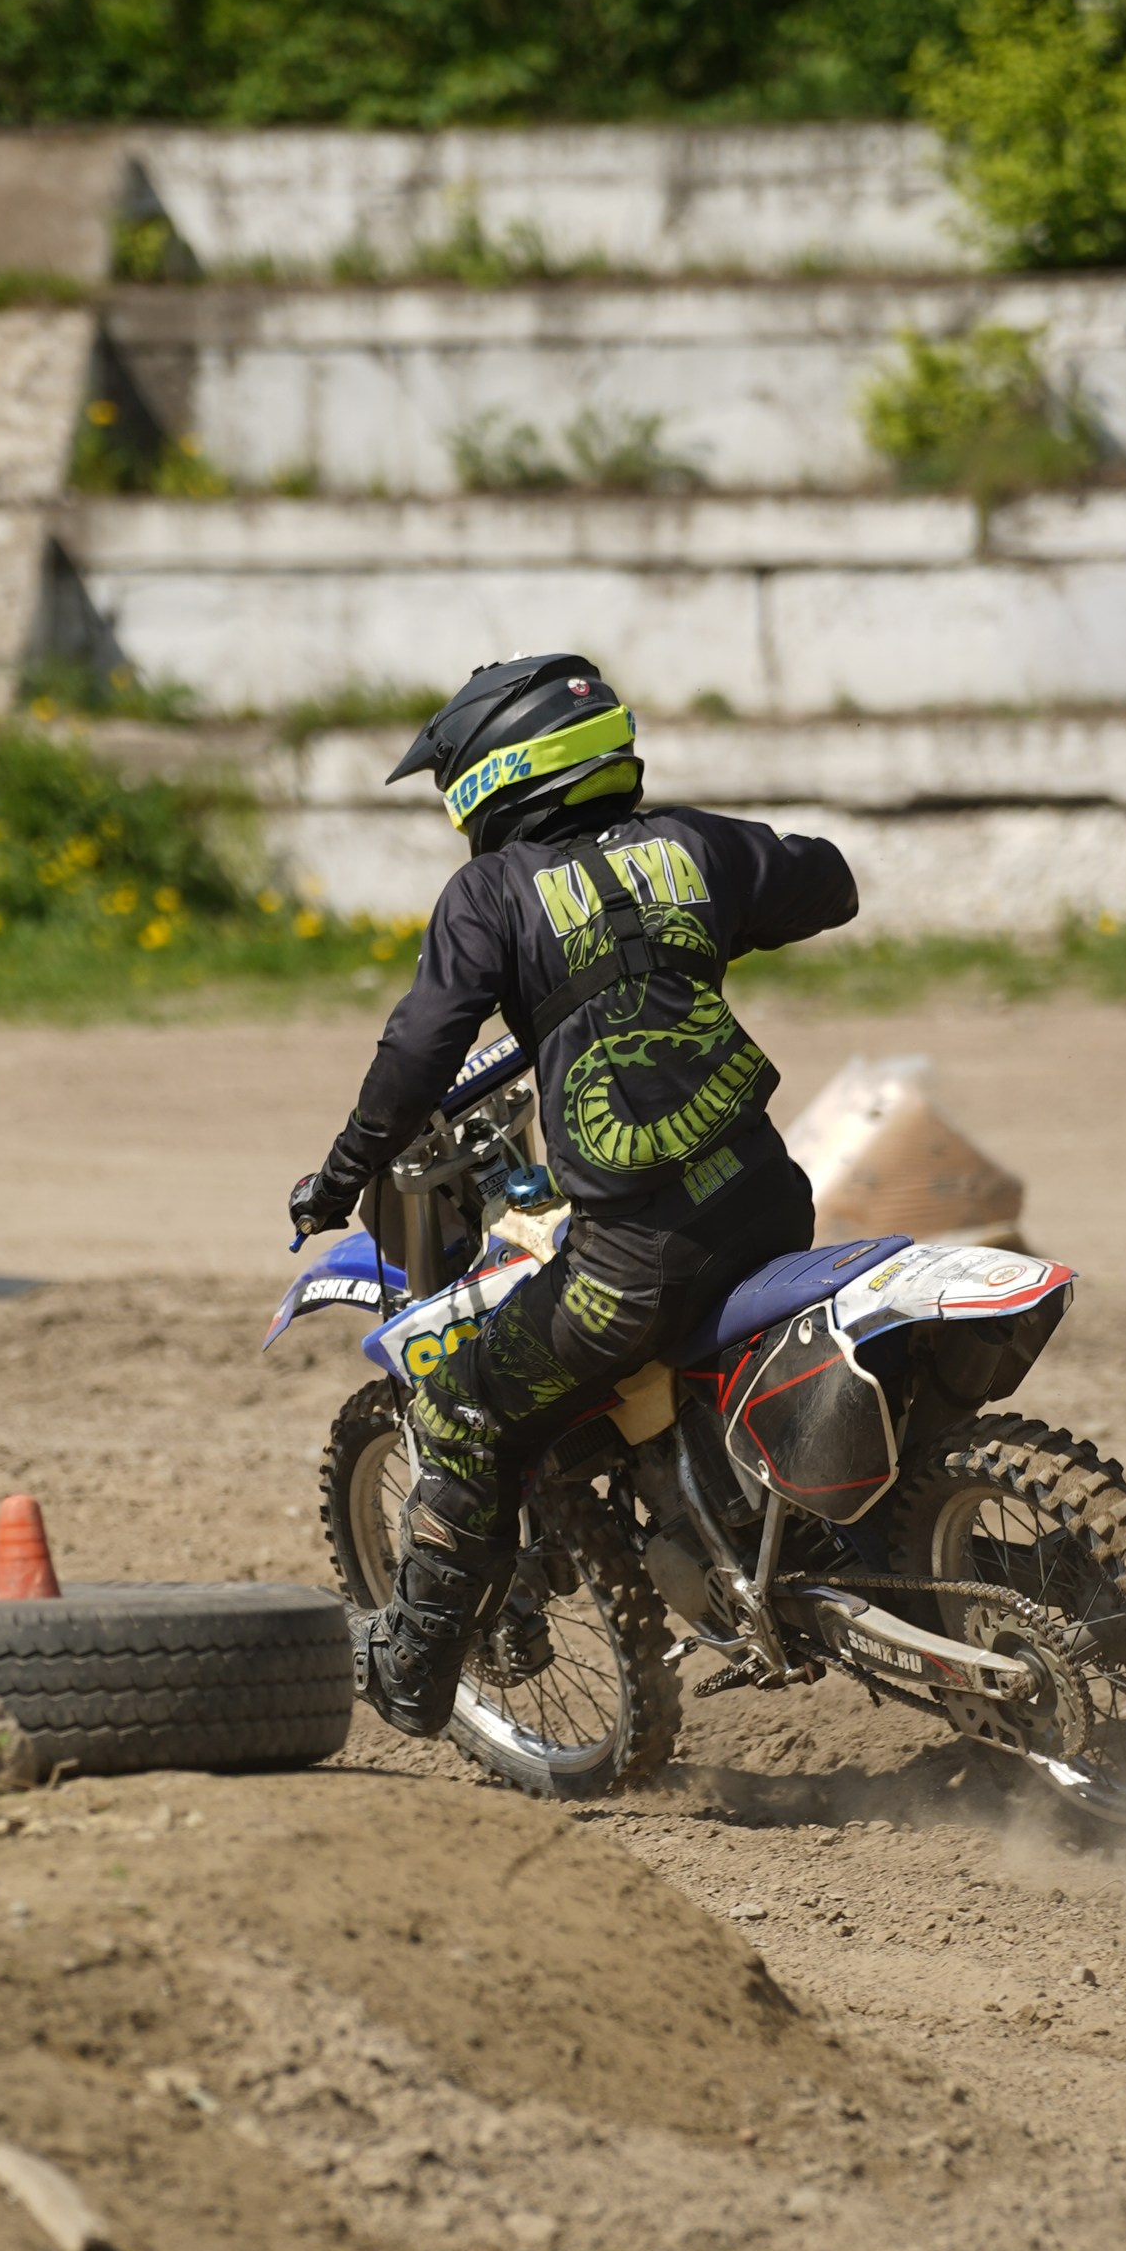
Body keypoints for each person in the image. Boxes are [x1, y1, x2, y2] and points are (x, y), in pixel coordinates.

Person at [288, 651, 857, 1734]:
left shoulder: (490, 892)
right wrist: (688, 920)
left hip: (636, 1260)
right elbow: (828, 880)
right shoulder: (689, 844)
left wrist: (343, 1171)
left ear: (491, 777)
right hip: (768, 1200)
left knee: (464, 1401)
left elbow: (418, 1050)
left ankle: (409, 1672)